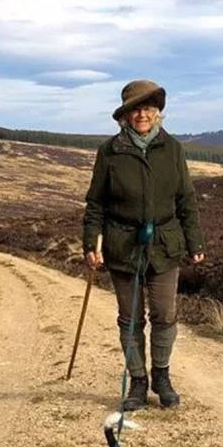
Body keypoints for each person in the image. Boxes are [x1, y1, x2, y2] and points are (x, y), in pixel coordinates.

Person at [83, 80, 205, 411]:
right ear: (125, 115)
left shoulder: (173, 149)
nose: (142, 114)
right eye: (136, 108)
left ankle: (161, 376)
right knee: (130, 318)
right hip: (122, 245)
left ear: (157, 113)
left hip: (165, 246)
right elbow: (95, 203)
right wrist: (89, 242)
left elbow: (186, 200)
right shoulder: (109, 152)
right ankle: (137, 383)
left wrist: (195, 241)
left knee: (165, 314)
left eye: (148, 108)